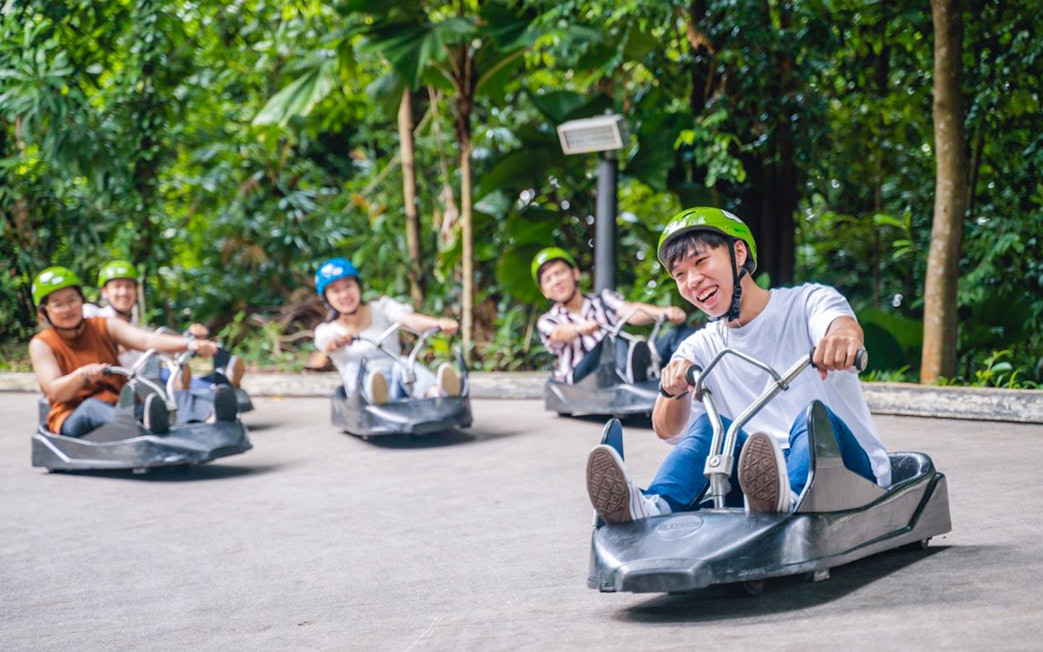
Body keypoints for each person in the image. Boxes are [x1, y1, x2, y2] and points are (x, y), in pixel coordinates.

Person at [585, 207, 892, 523]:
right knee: (708, 429)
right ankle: (653, 506)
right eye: (679, 274)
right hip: (757, 477)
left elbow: (840, 324)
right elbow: (666, 429)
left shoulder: (807, 302)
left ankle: (791, 498)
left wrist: (842, 338)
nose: (692, 281)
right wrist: (671, 388)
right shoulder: (699, 346)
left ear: (739, 253)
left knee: (813, 418)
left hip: (849, 470)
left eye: (701, 262)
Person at [29, 266, 238, 438]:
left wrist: (189, 344)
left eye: (72, 300)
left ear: (81, 301)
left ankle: (209, 419)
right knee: (93, 407)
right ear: (43, 313)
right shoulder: (42, 344)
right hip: (72, 415)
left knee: (171, 396)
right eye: (58, 304)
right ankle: (149, 427)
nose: (67, 309)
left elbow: (147, 339)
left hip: (119, 407)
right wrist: (81, 376)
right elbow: (55, 391)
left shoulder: (104, 325)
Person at [532, 247, 692, 385]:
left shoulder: (603, 299)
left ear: (575, 274)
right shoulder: (547, 320)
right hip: (581, 376)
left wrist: (665, 312)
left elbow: (630, 311)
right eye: (548, 279)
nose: (556, 281)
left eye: (559, 273)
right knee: (610, 341)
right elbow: (558, 334)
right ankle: (631, 377)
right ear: (545, 291)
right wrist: (580, 328)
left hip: (621, 361)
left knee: (676, 334)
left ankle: (688, 378)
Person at [312, 257, 462, 404]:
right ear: (327, 298)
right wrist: (340, 341)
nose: (344, 295)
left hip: (397, 383)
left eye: (348, 286)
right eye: (336, 291)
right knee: (356, 368)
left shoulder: (382, 308)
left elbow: (408, 320)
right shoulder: (328, 330)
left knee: (403, 364)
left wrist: (438, 323)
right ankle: (377, 398)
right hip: (360, 394)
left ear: (358, 286)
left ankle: (439, 394)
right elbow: (329, 344)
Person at [83, 260, 245, 389]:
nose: (124, 292)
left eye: (128, 286)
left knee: (193, 379)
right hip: (126, 381)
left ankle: (224, 382)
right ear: (104, 292)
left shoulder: (137, 325)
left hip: (151, 373)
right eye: (117, 287)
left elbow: (154, 341)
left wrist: (190, 339)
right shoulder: (95, 316)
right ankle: (186, 386)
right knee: (165, 378)